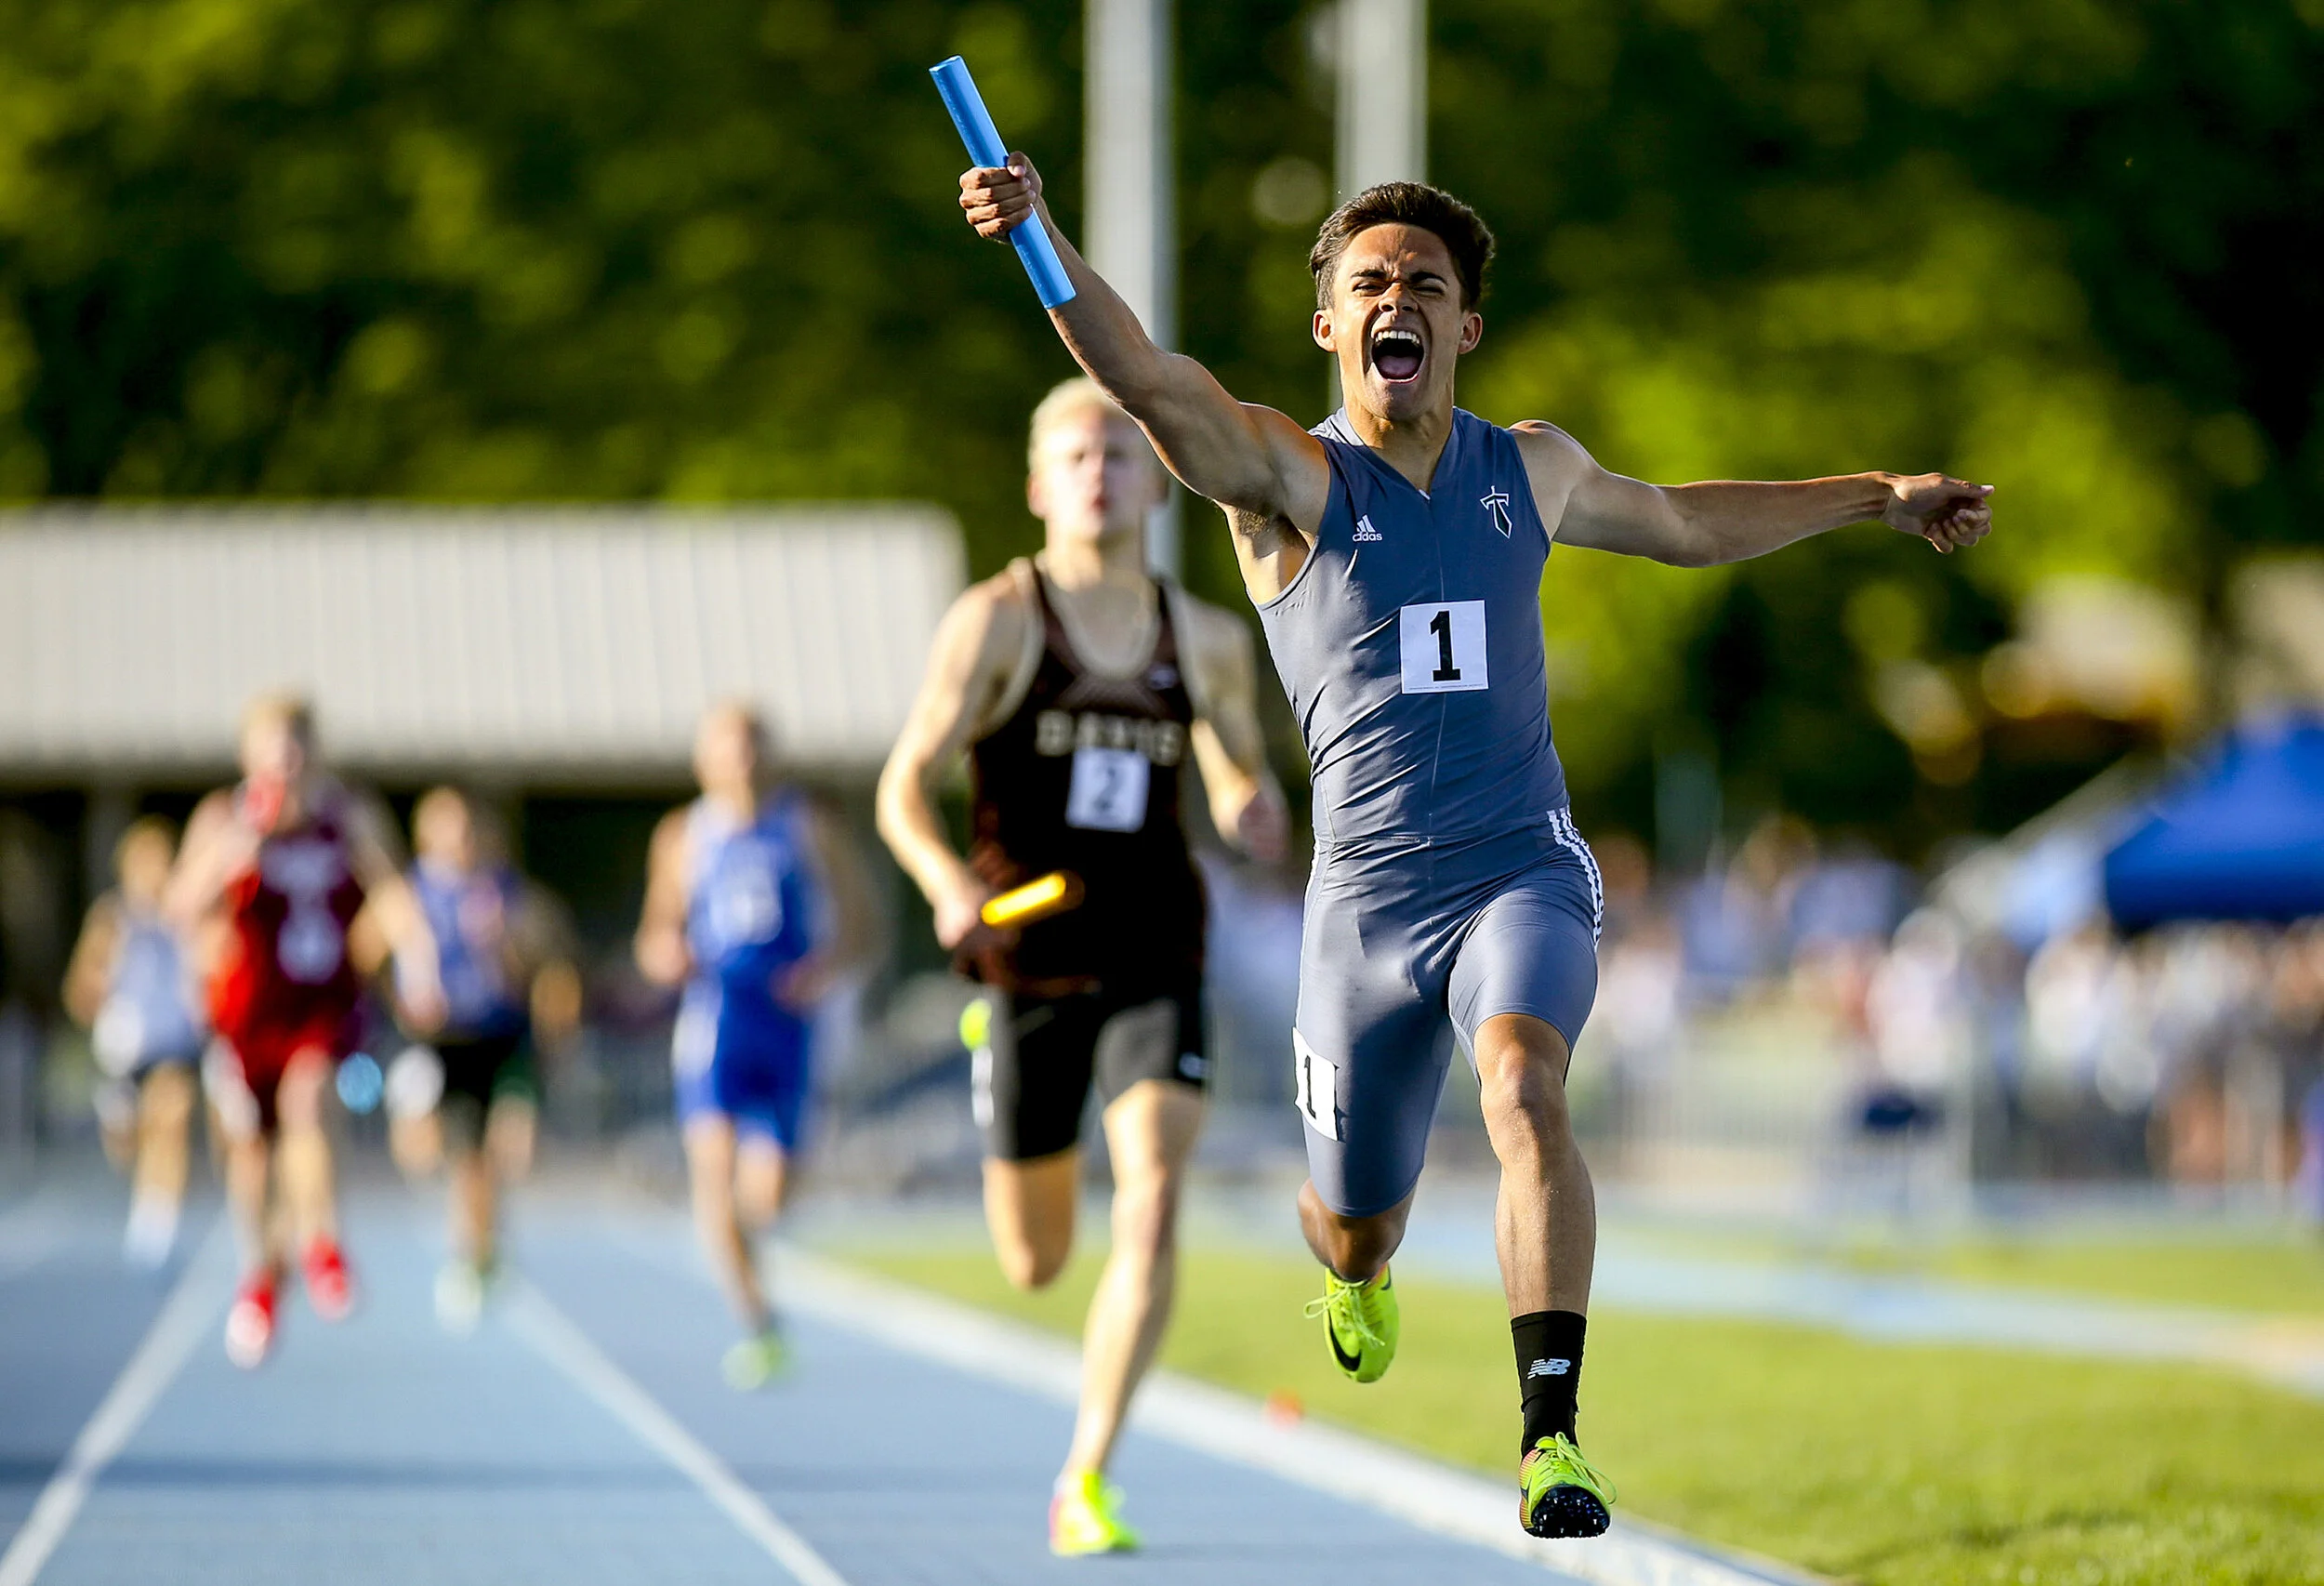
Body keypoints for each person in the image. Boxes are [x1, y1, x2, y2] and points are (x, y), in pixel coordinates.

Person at [955, 159, 1993, 1537]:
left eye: (1426, 287)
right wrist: (1038, 239)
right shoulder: (1283, 477)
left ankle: (1551, 1436)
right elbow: (1143, 376)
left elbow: (1683, 523)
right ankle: (1356, 1266)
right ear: (1329, 321)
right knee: (1355, 1224)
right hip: (1363, 919)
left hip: (1520, 872)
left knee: (1524, 1088)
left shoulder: (1536, 468)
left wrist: (1878, 494)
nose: (1399, 300)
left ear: (1465, 328)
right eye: (1370, 283)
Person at [877, 377, 1287, 1555]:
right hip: (1025, 957)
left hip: (1154, 942)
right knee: (1035, 1258)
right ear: (1037, 483)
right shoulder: (998, 619)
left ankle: (1086, 1473)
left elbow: (1235, 772)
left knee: (1154, 1192)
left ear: (1157, 478)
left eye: (1119, 451)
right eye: (1075, 453)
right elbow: (901, 786)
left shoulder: (1203, 637)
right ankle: (991, 1072)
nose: (1099, 470)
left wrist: (1250, 806)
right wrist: (948, 885)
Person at [166, 694, 444, 1368]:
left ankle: (323, 1244)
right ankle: (261, 1276)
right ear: (249, 755)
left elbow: (394, 894)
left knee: (308, 1103)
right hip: (246, 1014)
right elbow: (179, 907)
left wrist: (419, 966)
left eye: (297, 746)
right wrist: (236, 852)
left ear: (314, 753)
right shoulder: (223, 817)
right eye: (272, 746)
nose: (285, 760)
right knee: (254, 1155)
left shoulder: (348, 816)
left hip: (322, 1003)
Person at [635, 703, 874, 1389]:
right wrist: (665, 957)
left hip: (789, 1025)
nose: (741, 760)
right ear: (703, 757)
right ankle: (756, 1318)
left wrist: (826, 970)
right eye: (727, 747)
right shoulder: (683, 836)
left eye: (752, 746)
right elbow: (655, 935)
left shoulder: (808, 827)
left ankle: (748, 1260)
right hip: (716, 1020)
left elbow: (862, 923)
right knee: (712, 1169)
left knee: (767, 1198)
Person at [377, 786, 581, 1332]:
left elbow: (550, 963)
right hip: (438, 1042)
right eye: (448, 828)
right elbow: (363, 955)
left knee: (504, 1155)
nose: (461, 840)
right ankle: (476, 1242)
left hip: (502, 1036)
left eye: (469, 829)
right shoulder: (406, 895)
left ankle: (480, 1252)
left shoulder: (508, 894)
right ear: (426, 835)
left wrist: (505, 944)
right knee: (436, 1156)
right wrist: (401, 995)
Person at [64, 816, 208, 1269]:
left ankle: (158, 1222)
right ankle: (122, 1126)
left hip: (175, 1041)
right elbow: (80, 985)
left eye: (160, 863)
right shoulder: (112, 917)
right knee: (129, 1142)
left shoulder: (188, 914)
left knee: (173, 1117)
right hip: (125, 1047)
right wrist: (94, 990)